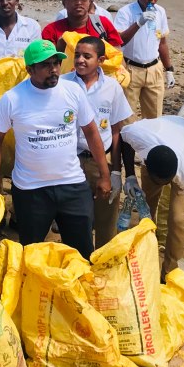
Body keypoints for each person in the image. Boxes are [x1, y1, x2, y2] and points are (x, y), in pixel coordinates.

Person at [0, 39, 111, 259]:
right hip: (31, 190)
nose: (53, 69)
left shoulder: (72, 90)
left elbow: (92, 132)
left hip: (72, 185)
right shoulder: (12, 99)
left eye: (56, 63)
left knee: (81, 253)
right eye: (45, 65)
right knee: (31, 253)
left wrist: (105, 175)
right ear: (29, 70)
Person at [63, 36, 132, 247]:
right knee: (75, 220)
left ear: (100, 60)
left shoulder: (112, 88)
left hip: (100, 161)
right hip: (70, 161)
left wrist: (116, 171)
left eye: (87, 56)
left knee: (105, 221)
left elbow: (117, 131)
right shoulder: (63, 84)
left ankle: (102, 265)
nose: (80, 60)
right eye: (77, 55)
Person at [120, 115, 184, 276]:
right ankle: (144, 260)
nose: (163, 185)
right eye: (158, 181)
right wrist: (131, 176)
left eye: (166, 181)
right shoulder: (138, 136)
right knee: (146, 210)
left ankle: (170, 272)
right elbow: (123, 138)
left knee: (179, 219)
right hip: (159, 137)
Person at [114, 0, 174, 119]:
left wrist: (169, 69)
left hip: (154, 69)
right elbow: (120, 41)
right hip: (131, 69)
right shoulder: (126, 12)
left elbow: (162, 42)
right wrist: (139, 22)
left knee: (155, 116)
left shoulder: (160, 12)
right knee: (126, 117)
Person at [42, 0, 123, 51]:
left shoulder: (103, 24)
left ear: (89, 2)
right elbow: (48, 64)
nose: (79, 2)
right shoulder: (51, 31)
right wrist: (60, 48)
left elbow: (118, 56)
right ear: (64, 3)